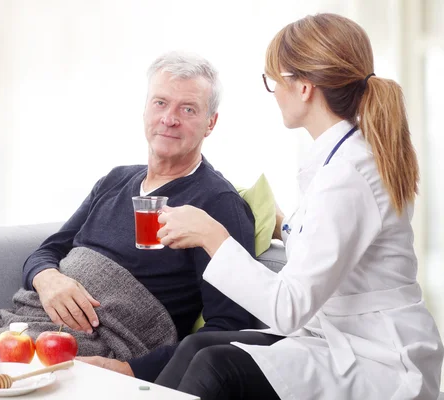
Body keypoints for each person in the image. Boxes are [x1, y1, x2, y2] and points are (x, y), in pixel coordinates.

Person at [153, 13, 444, 400]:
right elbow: (331, 244)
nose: (273, 92)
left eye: (274, 81)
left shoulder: (350, 172)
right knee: (196, 347)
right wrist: (285, 227)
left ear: (303, 87)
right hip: (341, 335)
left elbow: (289, 308)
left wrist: (212, 235)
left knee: (215, 366)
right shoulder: (341, 156)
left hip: (381, 357)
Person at [22, 51, 258, 382]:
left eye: (187, 109)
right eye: (160, 103)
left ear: (211, 123)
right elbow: (47, 251)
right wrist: (48, 280)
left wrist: (131, 369)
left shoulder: (217, 204)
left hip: (106, 346)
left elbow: (231, 326)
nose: (169, 118)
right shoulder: (115, 180)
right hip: (31, 319)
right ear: (146, 109)